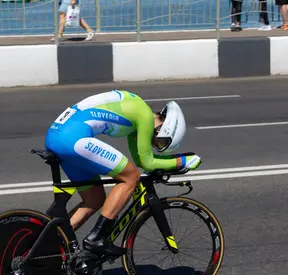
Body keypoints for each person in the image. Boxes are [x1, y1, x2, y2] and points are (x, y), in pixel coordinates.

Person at [44, 90, 202, 258]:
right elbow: (148, 163)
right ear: (163, 128)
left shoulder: (138, 113)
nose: (155, 145)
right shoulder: (145, 116)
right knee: (130, 177)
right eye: (161, 142)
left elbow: (142, 161)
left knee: (94, 200)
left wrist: (171, 162)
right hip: (73, 139)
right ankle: (96, 239)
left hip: (58, 135)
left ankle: (52, 245)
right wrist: (183, 161)